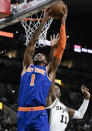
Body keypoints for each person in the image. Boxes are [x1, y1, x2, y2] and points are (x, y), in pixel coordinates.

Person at [17, 3, 68, 131]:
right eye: (37, 54)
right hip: (22, 113)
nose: (38, 54)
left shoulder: (48, 70)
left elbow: (60, 49)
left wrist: (63, 22)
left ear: (46, 61)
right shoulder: (27, 65)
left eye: (41, 55)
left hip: (39, 113)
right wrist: (43, 21)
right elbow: (32, 43)